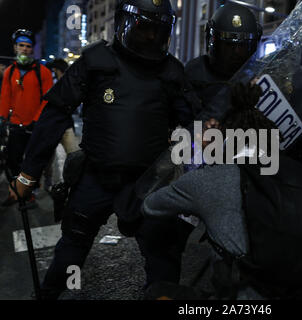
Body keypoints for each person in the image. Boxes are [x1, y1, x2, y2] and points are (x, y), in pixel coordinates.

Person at [11, 0, 196, 299]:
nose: (150, 37)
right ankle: (52, 295)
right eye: (144, 27)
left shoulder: (171, 72)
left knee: (163, 255)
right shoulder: (96, 62)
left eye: (157, 30)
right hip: (96, 177)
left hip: (147, 183)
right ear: (125, 23)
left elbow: (190, 124)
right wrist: (28, 174)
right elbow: (56, 113)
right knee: (71, 251)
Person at [143, 83, 302, 299]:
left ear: (225, 140)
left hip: (245, 299)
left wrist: (200, 154)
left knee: (157, 292)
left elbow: (150, 206)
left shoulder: (209, 180)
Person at [0, 29, 53, 205]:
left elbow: (47, 100)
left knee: (31, 163)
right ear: (15, 48)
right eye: (21, 45)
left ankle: (29, 194)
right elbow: (5, 97)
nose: (24, 49)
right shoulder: (9, 72)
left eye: (28, 46)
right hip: (16, 125)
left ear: (32, 49)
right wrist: (2, 119)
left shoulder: (43, 72)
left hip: (34, 127)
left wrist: (37, 120)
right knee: (12, 161)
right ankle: (15, 191)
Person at [184, 2, 262, 111]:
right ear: (212, 42)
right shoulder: (196, 71)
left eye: (242, 46)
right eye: (229, 46)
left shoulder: (258, 77)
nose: (236, 52)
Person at [43, 58, 79, 190]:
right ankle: (47, 180)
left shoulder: (68, 83)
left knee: (74, 155)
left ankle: (72, 183)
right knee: (47, 157)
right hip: (50, 125)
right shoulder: (49, 82)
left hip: (66, 125)